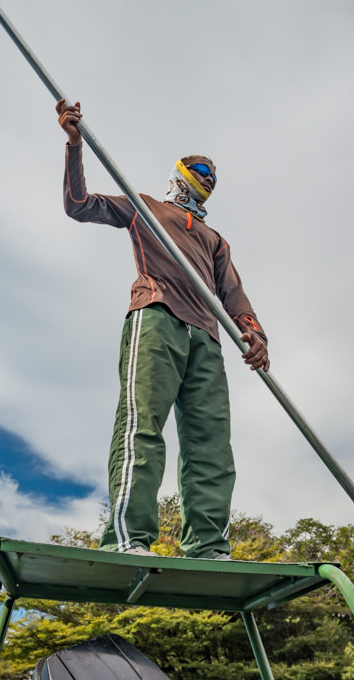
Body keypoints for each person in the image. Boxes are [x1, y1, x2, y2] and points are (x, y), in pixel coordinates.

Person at [57, 99, 269, 559]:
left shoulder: (215, 240)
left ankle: (208, 545)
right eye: (198, 168)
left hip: (207, 338)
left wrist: (254, 334)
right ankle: (129, 538)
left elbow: (232, 295)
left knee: (211, 443)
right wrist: (75, 146)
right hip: (157, 317)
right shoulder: (146, 208)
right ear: (178, 174)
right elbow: (79, 206)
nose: (207, 176)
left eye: (212, 173)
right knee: (142, 425)